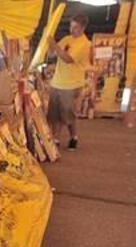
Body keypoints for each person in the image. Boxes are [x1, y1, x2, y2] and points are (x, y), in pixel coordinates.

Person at [47, 14, 92, 151]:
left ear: (83, 28)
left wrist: (54, 45)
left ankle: (74, 137)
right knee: (54, 114)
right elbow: (52, 55)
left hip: (72, 84)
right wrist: (49, 44)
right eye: (71, 26)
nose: (72, 30)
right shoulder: (67, 39)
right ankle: (55, 138)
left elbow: (68, 59)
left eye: (76, 27)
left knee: (68, 114)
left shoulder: (85, 44)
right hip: (57, 82)